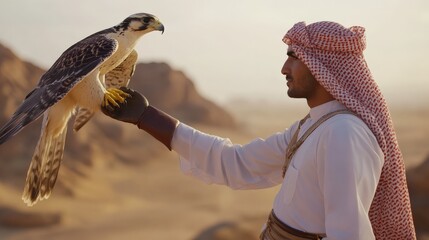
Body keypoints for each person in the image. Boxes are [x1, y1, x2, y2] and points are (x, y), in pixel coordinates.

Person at [101, 21, 416, 239]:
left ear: (323, 65)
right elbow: (236, 163)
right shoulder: (314, 126)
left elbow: (348, 235)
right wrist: (147, 118)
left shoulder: (344, 134)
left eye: (294, 57)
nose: (284, 68)